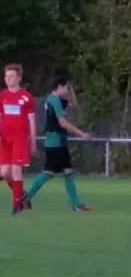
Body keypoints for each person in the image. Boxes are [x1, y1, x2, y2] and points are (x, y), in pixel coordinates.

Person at [21, 77, 93, 211]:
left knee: (68, 172)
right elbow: (63, 123)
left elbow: (73, 103)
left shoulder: (51, 99)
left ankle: (76, 205)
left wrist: (71, 88)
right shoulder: (55, 101)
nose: (67, 91)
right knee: (48, 173)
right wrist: (81, 133)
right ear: (59, 87)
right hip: (55, 142)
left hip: (59, 142)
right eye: (66, 88)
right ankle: (25, 197)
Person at [0, 64, 36, 213]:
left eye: (12, 76)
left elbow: (32, 121)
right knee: (5, 173)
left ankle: (17, 205)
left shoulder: (26, 97)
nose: (8, 79)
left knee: (16, 170)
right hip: (5, 139)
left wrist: (33, 142)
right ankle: (22, 196)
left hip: (20, 138)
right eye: (6, 76)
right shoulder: (2, 96)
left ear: (19, 78)